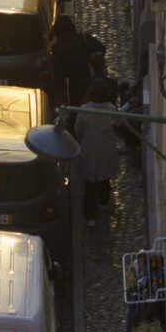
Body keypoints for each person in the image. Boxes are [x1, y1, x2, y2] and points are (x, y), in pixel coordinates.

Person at [74, 78, 119, 226]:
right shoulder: (111, 110)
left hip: (89, 151)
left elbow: (77, 130)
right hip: (105, 151)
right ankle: (104, 202)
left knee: (89, 186)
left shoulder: (84, 110)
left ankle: (90, 217)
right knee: (104, 180)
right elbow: (118, 125)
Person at [48, 14, 105, 107]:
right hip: (91, 81)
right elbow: (101, 48)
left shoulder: (58, 47)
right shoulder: (83, 38)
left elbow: (58, 74)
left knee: (76, 110)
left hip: (73, 87)